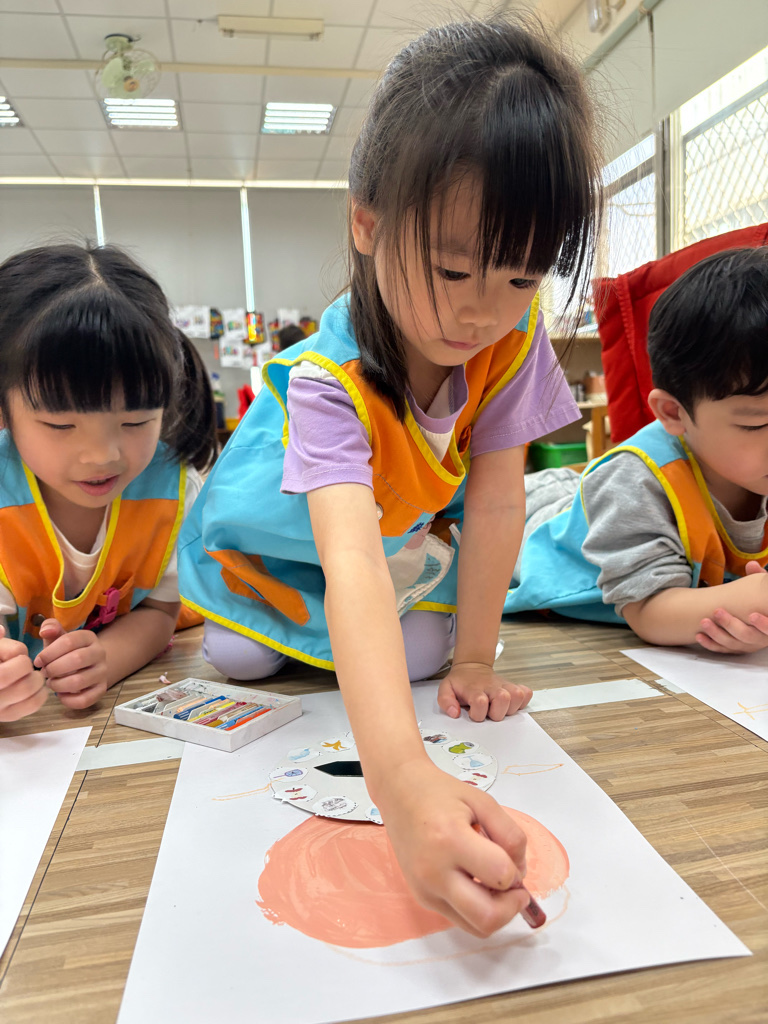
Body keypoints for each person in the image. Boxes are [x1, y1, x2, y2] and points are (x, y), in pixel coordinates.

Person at [179, 15, 601, 936]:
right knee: (239, 658)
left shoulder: (512, 340)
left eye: (521, 278)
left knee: (425, 657)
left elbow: (499, 500)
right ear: (366, 223)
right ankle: (278, 630)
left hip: (384, 541)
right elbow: (351, 561)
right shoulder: (328, 380)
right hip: (281, 543)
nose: (481, 313)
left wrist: (478, 657)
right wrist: (401, 778)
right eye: (452, 269)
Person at [506, 246, 768, 654]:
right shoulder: (636, 481)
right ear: (674, 413)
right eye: (757, 424)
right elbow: (651, 612)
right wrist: (748, 603)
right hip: (534, 527)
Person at [0, 243, 217, 723]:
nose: (103, 455)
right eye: (61, 425)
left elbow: (159, 612)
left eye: (136, 421)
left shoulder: (171, 489)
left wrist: (107, 659)